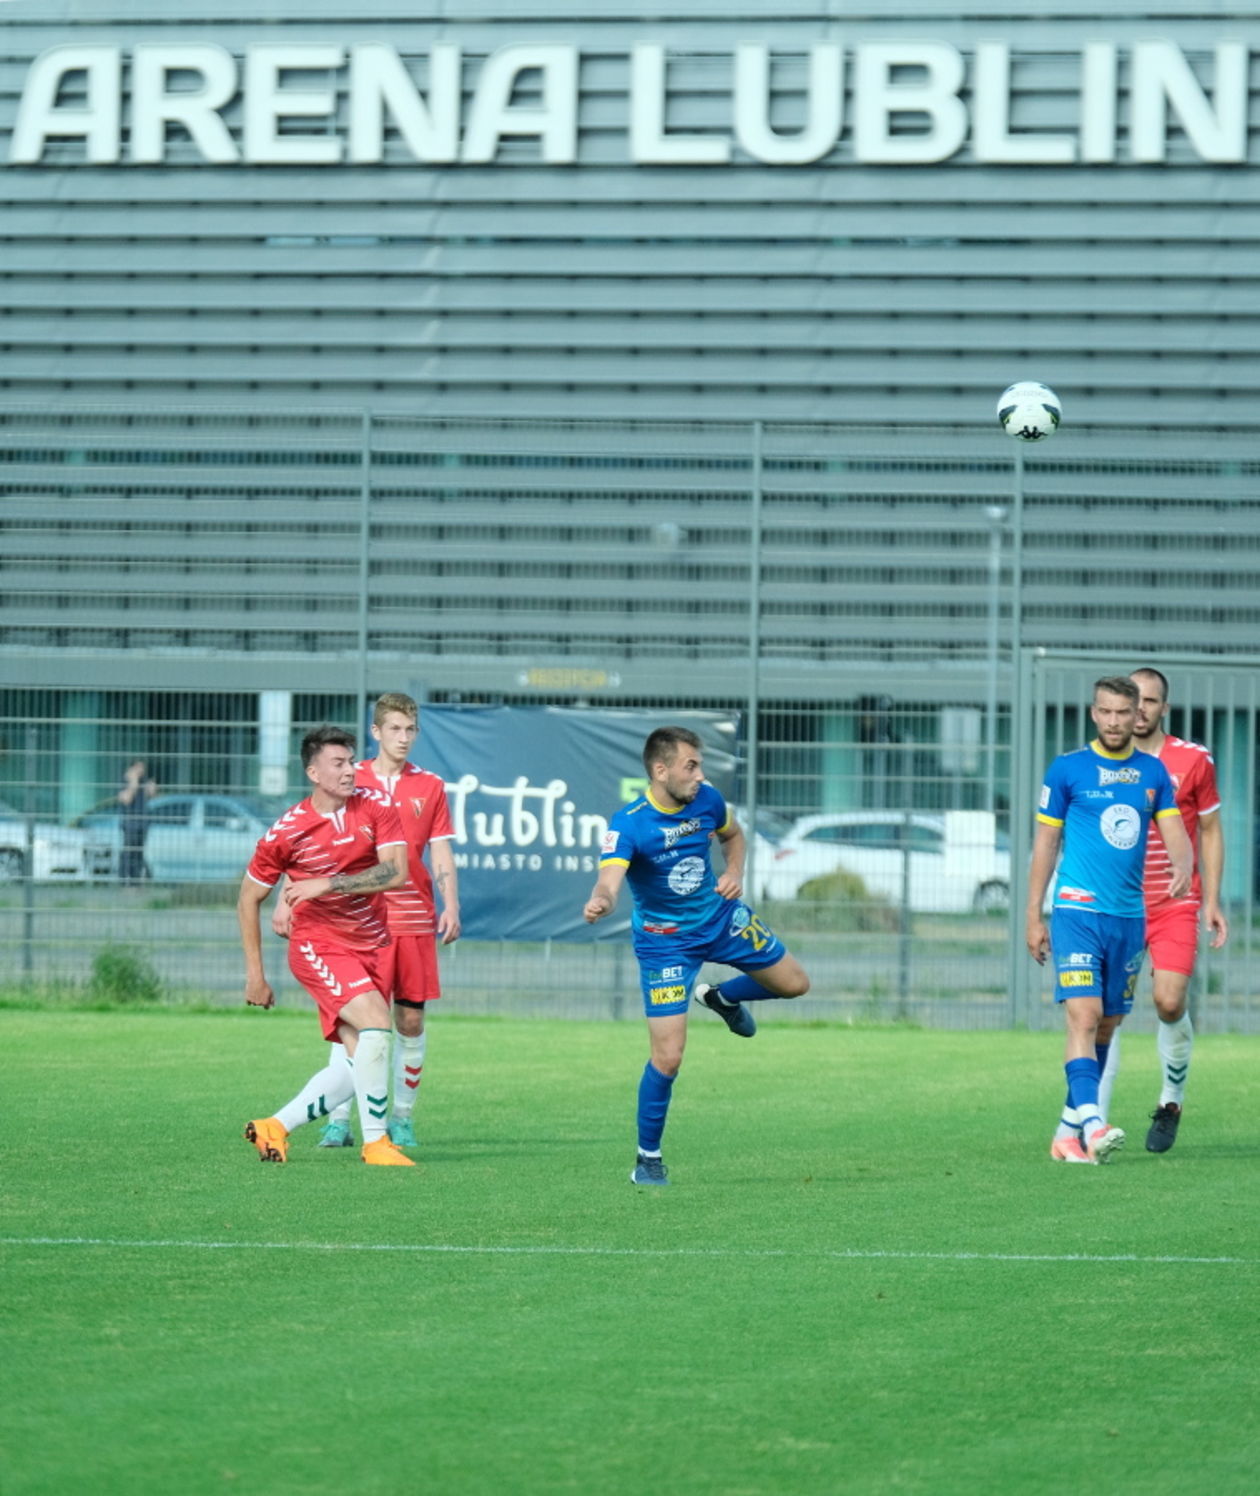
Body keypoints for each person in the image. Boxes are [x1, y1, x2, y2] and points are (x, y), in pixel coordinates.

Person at [583, 726, 810, 1185]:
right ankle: (648, 1160)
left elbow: (735, 835)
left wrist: (734, 870)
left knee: (794, 984)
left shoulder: (706, 799)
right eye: (691, 766)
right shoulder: (628, 823)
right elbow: (609, 878)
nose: (700, 775)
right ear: (660, 769)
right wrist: (603, 899)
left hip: (721, 918)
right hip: (665, 942)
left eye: (700, 765)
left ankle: (722, 998)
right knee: (668, 1057)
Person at [280, 692, 460, 1151]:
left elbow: (439, 849)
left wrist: (451, 903)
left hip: (413, 917)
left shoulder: (431, 786)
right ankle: (339, 1120)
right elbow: (308, 840)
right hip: (355, 920)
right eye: (394, 729)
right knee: (354, 1022)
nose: (403, 738)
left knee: (409, 1023)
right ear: (375, 732)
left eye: (410, 730)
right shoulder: (346, 778)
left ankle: (401, 1118)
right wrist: (287, 899)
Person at [1026, 677, 1193, 1165]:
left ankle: (1066, 1131)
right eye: (1107, 712)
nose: (1117, 721)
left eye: (1125, 712)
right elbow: (1045, 845)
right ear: (1093, 713)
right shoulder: (1067, 770)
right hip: (1077, 911)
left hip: (1129, 918)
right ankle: (1094, 1123)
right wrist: (1033, 914)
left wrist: (1183, 863)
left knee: (1108, 1025)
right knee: (1084, 1015)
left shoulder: (1152, 773)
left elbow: (1174, 830)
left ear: (1137, 712)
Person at [237, 723, 414, 1167]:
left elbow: (396, 872)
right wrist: (256, 975)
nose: (350, 770)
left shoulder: (376, 806)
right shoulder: (286, 831)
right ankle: (378, 1145)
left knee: (362, 1060)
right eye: (338, 763)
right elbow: (247, 898)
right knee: (376, 1023)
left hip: (372, 943)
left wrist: (328, 883)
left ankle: (275, 1126)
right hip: (319, 945)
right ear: (314, 772)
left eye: (352, 761)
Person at [1097, 668, 1228, 1153]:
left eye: (1151, 701)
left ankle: (1171, 1100)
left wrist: (1211, 899)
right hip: (1118, 902)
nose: (1141, 709)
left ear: (1161, 709)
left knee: (1169, 1002)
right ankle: (1093, 1123)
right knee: (1105, 1011)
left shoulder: (1192, 761)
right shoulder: (1101, 764)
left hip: (1175, 901)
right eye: (1135, 700)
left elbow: (1211, 831)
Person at [117, 757, 157, 885]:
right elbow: (126, 799)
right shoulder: (126, 780)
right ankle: (124, 881)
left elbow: (151, 797)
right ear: (132, 768)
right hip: (130, 823)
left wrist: (151, 789)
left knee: (138, 853)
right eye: (139, 767)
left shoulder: (143, 781)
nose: (141, 771)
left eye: (143, 768)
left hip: (143, 823)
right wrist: (133, 784)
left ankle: (136, 881)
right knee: (128, 852)